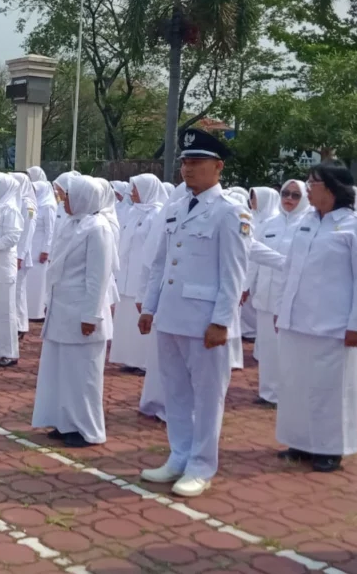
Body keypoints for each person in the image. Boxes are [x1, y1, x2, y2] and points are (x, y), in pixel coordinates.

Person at [138, 129, 249, 498]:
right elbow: (160, 263)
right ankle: (179, 456)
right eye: (185, 161)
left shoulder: (229, 211)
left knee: (207, 397)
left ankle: (201, 466)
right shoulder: (175, 207)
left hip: (204, 321)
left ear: (217, 167)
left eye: (196, 162)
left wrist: (222, 321)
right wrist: (149, 306)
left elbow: (234, 272)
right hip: (171, 315)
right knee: (176, 393)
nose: (188, 169)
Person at [251, 164, 357, 473]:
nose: (307, 187)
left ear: (332, 188)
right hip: (297, 319)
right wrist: (282, 308)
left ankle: (331, 448)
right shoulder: (306, 222)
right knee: (295, 384)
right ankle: (300, 441)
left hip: (334, 324)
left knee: (330, 389)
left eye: (313, 182)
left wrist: (356, 324)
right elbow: (292, 269)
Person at [33, 175, 116, 448]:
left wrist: (91, 315)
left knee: (83, 374)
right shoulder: (71, 224)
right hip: (62, 309)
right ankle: (65, 421)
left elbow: (98, 277)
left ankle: (87, 429)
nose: (63, 201)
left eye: (67, 196)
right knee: (61, 371)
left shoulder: (98, 228)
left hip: (82, 311)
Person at [246, 180, 310, 408]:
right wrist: (246, 285)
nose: (289, 199)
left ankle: (288, 395)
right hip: (265, 294)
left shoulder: (308, 225)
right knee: (268, 349)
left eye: (295, 195)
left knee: (289, 350)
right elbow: (253, 256)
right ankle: (268, 392)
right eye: (285, 193)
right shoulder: (270, 224)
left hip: (292, 298)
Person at [110, 173, 165, 375]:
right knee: (126, 318)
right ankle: (129, 358)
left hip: (142, 275)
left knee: (141, 316)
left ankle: (144, 362)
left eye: (135, 189)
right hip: (126, 274)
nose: (131, 193)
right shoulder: (135, 212)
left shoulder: (156, 215)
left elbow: (156, 251)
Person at [0, 172, 25, 368]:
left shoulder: (10, 209)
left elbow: (13, 236)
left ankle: (9, 352)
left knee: (6, 312)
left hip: (2, 265)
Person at [26, 179, 57, 322]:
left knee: (39, 281)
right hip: (32, 246)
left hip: (40, 249)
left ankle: (38, 312)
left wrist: (46, 249)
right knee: (30, 281)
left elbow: (50, 230)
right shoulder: (36, 204)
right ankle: (29, 311)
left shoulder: (49, 206)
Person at [13, 172, 37, 338]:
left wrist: (19, 256)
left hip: (19, 256)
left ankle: (20, 325)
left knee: (18, 292)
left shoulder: (28, 205)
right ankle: (17, 323)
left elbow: (27, 232)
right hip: (15, 255)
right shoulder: (17, 200)